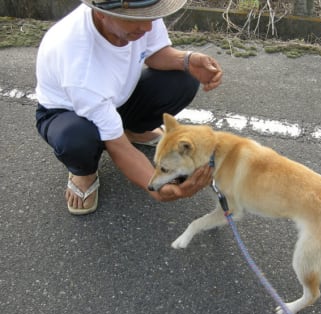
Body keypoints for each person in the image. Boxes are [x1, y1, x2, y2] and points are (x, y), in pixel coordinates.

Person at [35, 0, 223, 215]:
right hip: (68, 113)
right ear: (101, 13)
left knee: (182, 78)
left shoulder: (141, 12)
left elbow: (153, 53)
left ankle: (132, 129)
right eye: (135, 20)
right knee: (76, 140)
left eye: (150, 17)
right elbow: (118, 147)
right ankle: (83, 171)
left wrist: (188, 60)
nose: (147, 27)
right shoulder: (79, 63)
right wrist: (156, 187)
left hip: (114, 99)